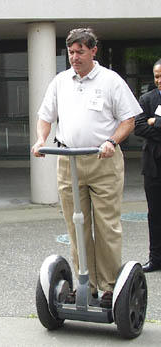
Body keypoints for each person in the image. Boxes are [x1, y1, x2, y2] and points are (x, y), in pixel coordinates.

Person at [32, 28, 142, 308]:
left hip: (103, 159)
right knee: (76, 225)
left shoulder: (110, 81)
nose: (75, 57)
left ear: (94, 51)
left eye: (80, 51)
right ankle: (86, 284)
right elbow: (45, 116)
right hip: (68, 160)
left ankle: (108, 287)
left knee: (106, 226)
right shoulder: (60, 82)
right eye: (71, 52)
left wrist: (111, 141)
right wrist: (41, 139)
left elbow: (128, 120)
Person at [134, 58, 161, 273]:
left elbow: (150, 126)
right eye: (156, 76)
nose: (159, 80)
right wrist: (151, 123)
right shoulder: (146, 99)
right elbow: (139, 128)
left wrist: (156, 122)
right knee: (155, 214)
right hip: (153, 167)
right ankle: (156, 258)